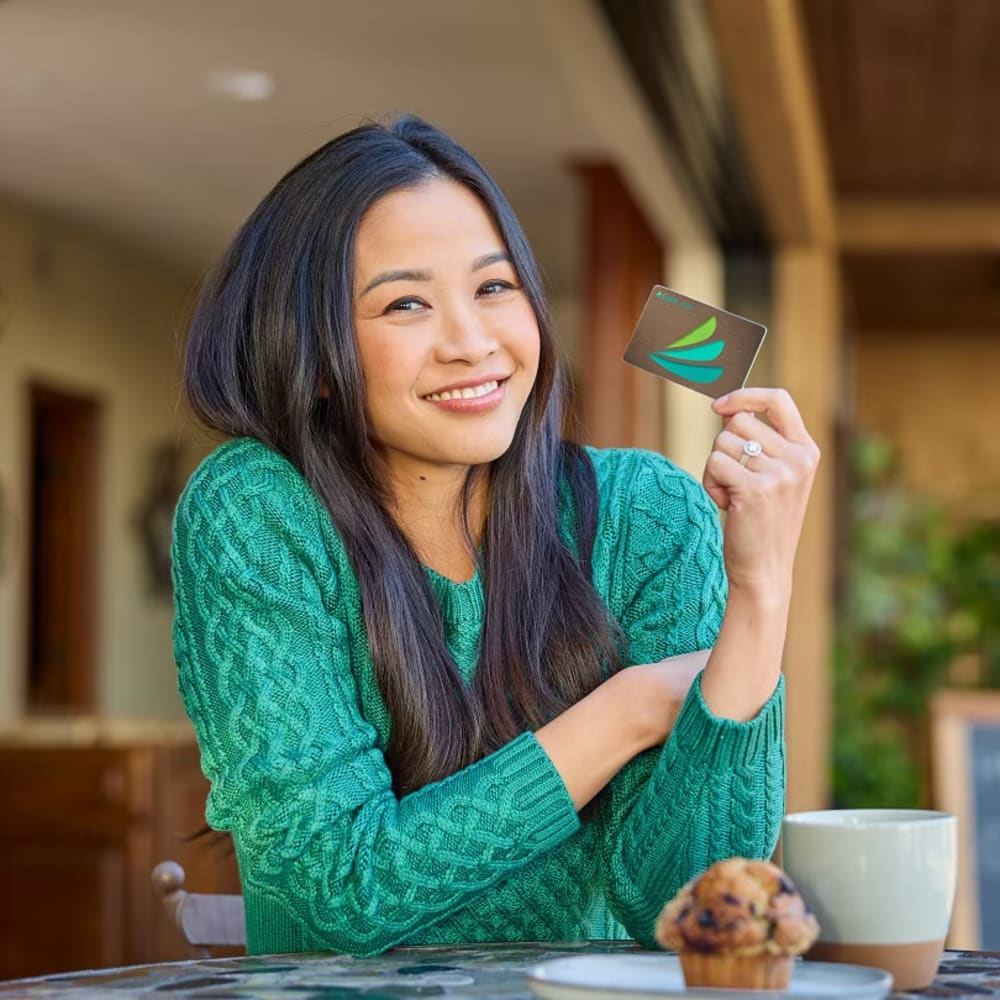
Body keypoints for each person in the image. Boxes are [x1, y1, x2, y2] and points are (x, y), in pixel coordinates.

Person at [172, 114, 819, 958]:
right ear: (317, 353)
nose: (472, 344)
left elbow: (689, 901)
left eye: (495, 287)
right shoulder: (258, 514)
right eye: (406, 303)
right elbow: (339, 893)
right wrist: (630, 709)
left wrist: (762, 589)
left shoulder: (645, 513)